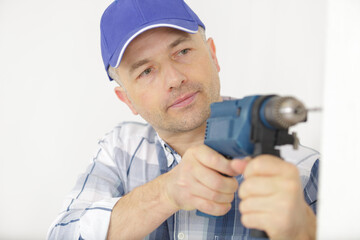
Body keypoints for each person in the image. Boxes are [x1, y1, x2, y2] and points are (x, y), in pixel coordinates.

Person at [47, 0, 319, 239]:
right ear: (127, 99)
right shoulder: (120, 150)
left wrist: (303, 233)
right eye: (146, 71)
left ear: (213, 55)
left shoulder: (303, 171)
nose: (175, 79)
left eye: (183, 52)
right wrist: (165, 193)